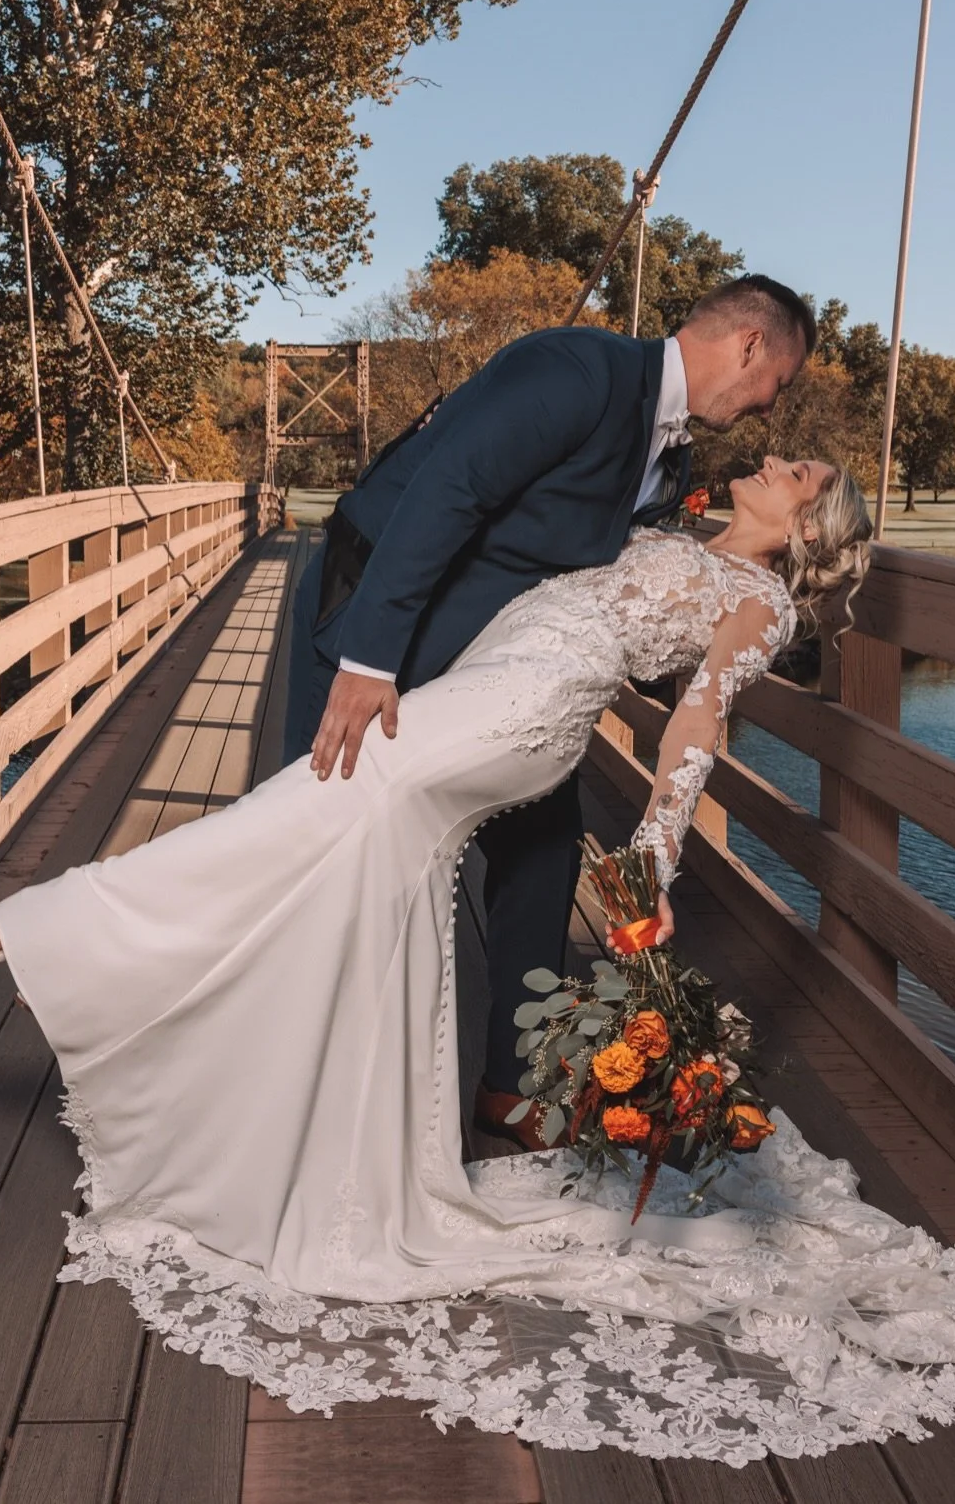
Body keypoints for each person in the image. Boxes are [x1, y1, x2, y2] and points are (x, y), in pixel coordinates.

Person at [0, 455, 955, 1463]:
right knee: (340, 872)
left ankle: (40, 924)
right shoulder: (677, 529)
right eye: (782, 455)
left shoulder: (758, 602)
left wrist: (653, 861)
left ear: (807, 524)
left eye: (799, 472)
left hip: (519, 713)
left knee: (301, 803)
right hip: (488, 681)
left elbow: (693, 730)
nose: (774, 460)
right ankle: (307, 1128)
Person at [285, 276, 814, 1145]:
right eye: (777, 384)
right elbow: (447, 488)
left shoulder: (670, 459)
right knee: (313, 851)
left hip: (490, 675)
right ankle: (303, 1095)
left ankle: (515, 1085)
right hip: (370, 634)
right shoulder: (578, 367)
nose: (767, 411)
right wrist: (367, 657)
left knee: (542, 848)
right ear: (751, 345)